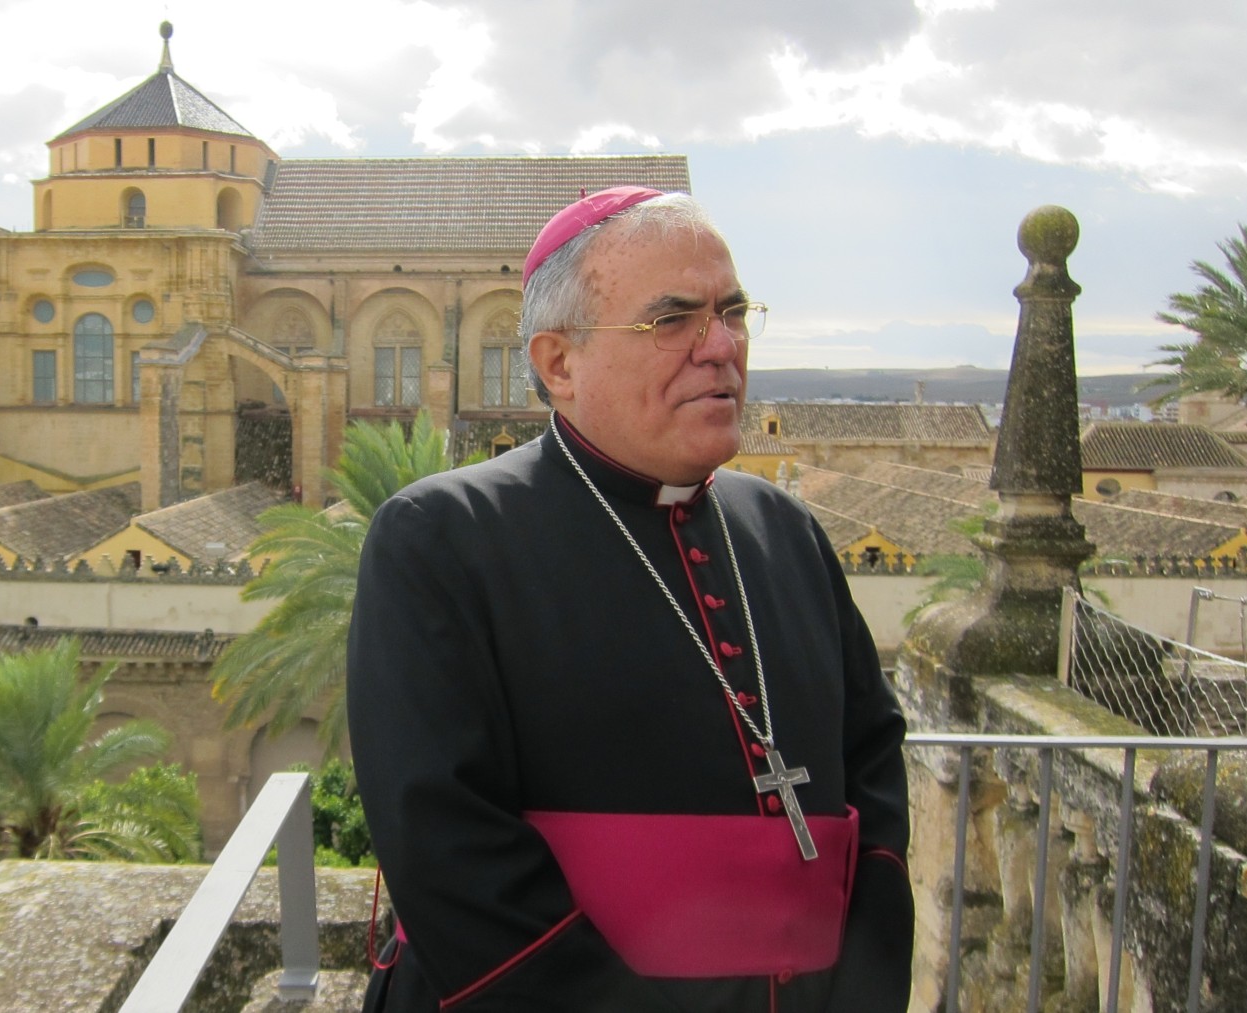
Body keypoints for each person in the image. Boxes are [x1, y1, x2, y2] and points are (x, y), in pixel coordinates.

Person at [345, 187, 913, 1012]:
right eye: (672, 320)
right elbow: (449, 853)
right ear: (559, 364)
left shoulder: (784, 528)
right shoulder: (439, 540)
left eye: (734, 312)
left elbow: (872, 761)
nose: (719, 346)